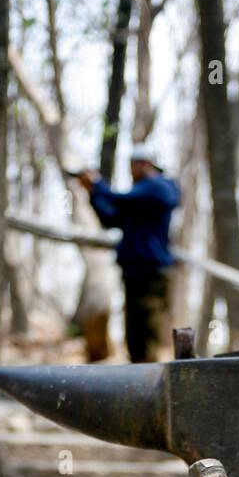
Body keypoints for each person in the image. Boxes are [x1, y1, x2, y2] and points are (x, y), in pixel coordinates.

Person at [76, 146, 179, 363]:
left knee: (147, 332)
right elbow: (110, 218)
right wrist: (92, 193)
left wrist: (97, 183)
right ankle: (139, 376)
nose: (132, 169)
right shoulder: (140, 200)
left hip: (151, 272)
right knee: (134, 333)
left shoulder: (159, 186)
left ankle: (150, 380)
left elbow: (118, 199)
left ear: (147, 164)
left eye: (135, 163)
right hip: (135, 272)